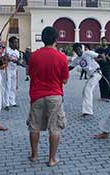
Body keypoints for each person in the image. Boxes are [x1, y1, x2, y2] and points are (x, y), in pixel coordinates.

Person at [27, 26, 69, 166]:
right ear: (56, 39)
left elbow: (30, 74)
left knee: (34, 126)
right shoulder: (61, 57)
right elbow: (65, 80)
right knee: (55, 128)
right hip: (55, 95)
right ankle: (52, 159)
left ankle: (34, 155)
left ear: (42, 39)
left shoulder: (34, 56)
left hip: (37, 95)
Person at [69, 43, 102, 116]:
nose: (78, 52)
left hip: (97, 73)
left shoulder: (88, 53)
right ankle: (87, 110)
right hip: (91, 76)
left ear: (81, 48)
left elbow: (98, 55)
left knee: (88, 90)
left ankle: (87, 111)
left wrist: (102, 57)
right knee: (85, 91)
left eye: (79, 49)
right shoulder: (76, 60)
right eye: (76, 51)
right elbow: (70, 67)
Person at [2, 36, 19, 111]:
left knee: (13, 86)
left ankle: (12, 102)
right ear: (10, 43)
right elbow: (2, 58)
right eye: (15, 42)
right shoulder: (6, 50)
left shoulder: (17, 52)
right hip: (7, 70)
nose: (16, 44)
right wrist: (7, 58)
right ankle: (6, 103)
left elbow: (18, 60)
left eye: (16, 42)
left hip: (14, 70)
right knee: (7, 86)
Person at [96, 37, 110, 102]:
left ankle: (107, 97)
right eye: (102, 41)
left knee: (108, 82)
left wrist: (107, 57)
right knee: (101, 82)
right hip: (100, 68)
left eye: (105, 41)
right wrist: (101, 58)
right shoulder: (98, 50)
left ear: (107, 42)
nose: (104, 42)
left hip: (107, 68)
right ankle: (102, 96)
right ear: (101, 42)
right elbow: (95, 59)